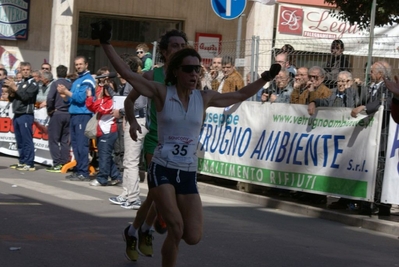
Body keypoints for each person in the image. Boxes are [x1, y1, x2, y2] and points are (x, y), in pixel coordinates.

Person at [94, 21, 281, 266]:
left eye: (197, 70)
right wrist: (106, 44)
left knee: (191, 236)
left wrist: (265, 78)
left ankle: (144, 230)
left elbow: (239, 95)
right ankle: (146, 232)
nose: (194, 74)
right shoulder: (161, 91)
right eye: (188, 69)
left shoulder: (204, 98)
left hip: (188, 172)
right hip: (162, 168)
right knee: (176, 225)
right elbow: (129, 76)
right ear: (176, 72)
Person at [120, 28, 189, 261]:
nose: (180, 49)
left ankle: (134, 231)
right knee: (159, 193)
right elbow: (129, 102)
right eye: (175, 46)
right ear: (166, 52)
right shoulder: (152, 76)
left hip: (180, 144)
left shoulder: (189, 75)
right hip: (155, 142)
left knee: (156, 196)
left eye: (183, 46)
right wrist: (131, 123)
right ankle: (146, 229)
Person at [351, 61, 393, 216]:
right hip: (369, 136)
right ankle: (367, 201)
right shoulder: (370, 87)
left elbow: (386, 103)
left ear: (381, 74)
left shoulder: (389, 87)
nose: (369, 74)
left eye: (372, 71)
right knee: (369, 169)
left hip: (382, 136)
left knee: (380, 171)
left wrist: (366, 107)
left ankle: (381, 204)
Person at [108, 54, 148, 209]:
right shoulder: (134, 81)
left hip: (137, 121)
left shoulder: (134, 82)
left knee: (131, 161)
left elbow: (138, 104)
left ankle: (133, 198)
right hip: (136, 121)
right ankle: (126, 193)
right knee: (128, 160)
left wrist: (122, 112)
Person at [57, 56, 96, 181]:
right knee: (75, 144)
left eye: (80, 64)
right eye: (76, 64)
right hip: (74, 115)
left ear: (86, 65)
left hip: (83, 115)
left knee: (81, 144)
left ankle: (83, 171)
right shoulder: (77, 81)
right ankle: (79, 168)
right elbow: (70, 99)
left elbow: (80, 99)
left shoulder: (87, 80)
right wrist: (63, 95)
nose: (78, 66)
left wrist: (66, 92)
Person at [85, 81, 122, 186]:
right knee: (105, 156)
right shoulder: (103, 100)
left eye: (108, 87)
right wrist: (89, 97)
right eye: (104, 87)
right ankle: (116, 176)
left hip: (108, 132)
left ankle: (102, 178)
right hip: (101, 131)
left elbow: (103, 109)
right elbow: (92, 107)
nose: (105, 89)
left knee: (104, 156)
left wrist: (99, 98)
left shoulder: (113, 101)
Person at [5, 62, 39, 171]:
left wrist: (15, 89)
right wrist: (10, 91)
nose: (25, 71)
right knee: (19, 140)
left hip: (26, 114)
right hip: (17, 114)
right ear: (20, 71)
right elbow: (12, 99)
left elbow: (25, 97)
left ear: (30, 70)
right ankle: (22, 161)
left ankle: (30, 163)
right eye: (23, 69)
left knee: (26, 139)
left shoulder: (33, 83)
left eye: (27, 69)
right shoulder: (19, 83)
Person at [46, 65, 72, 173]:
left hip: (57, 113)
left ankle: (57, 163)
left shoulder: (55, 83)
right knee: (65, 140)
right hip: (68, 114)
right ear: (66, 73)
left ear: (56, 73)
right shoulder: (71, 84)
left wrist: (50, 109)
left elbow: (50, 98)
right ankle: (64, 162)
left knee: (54, 140)